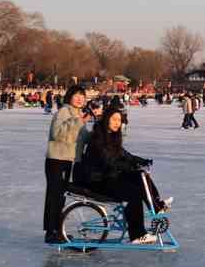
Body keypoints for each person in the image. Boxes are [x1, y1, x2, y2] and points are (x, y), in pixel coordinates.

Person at [76, 109, 171, 243]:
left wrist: (140, 161)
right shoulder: (98, 138)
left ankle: (156, 205)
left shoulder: (111, 136)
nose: (117, 123)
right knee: (133, 194)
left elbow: (124, 155)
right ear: (106, 119)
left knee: (139, 175)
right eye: (114, 119)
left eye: (119, 120)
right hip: (97, 181)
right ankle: (137, 235)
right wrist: (130, 166)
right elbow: (109, 161)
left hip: (108, 176)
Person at [44, 84, 89, 244]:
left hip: (68, 160)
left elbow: (82, 138)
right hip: (57, 159)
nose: (80, 99)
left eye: (82, 96)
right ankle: (51, 232)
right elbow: (57, 134)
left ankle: (57, 229)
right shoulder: (64, 112)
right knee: (54, 196)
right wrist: (78, 121)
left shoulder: (77, 114)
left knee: (60, 197)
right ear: (69, 97)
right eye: (76, 95)